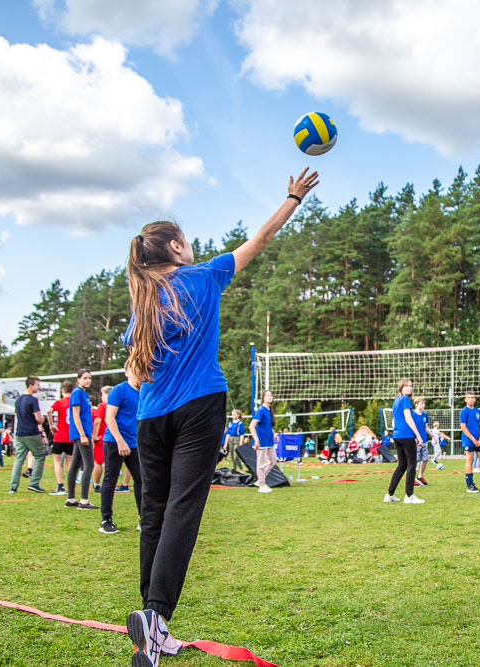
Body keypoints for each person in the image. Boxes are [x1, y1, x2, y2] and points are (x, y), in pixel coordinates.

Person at [124, 169, 318, 667]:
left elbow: (136, 373)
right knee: (183, 509)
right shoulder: (204, 276)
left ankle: (153, 627)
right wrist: (293, 197)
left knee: (154, 514)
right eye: (185, 241)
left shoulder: (140, 307)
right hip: (198, 408)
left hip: (150, 418)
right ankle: (156, 612)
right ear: (173, 248)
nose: (191, 247)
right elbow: (262, 238)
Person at [99, 365, 142, 534]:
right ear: (127, 372)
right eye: (134, 369)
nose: (138, 372)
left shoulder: (144, 392)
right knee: (110, 479)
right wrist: (120, 441)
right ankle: (106, 520)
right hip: (114, 441)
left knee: (141, 480)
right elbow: (109, 417)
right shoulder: (119, 391)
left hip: (134, 443)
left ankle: (144, 519)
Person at [384, 378, 425, 503]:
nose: (409, 388)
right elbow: (408, 418)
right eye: (406, 386)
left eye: (411, 386)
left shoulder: (396, 401)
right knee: (411, 464)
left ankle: (389, 494)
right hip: (406, 435)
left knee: (402, 465)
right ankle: (409, 495)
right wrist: (418, 435)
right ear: (401, 387)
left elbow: (394, 421)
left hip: (397, 435)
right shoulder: (405, 400)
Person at [65, 369, 98, 509]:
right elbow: (75, 415)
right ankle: (84, 500)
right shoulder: (77, 393)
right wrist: (83, 435)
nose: (87, 380)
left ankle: (71, 499)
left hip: (83, 433)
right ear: (78, 379)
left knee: (75, 465)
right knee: (89, 464)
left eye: (89, 378)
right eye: (85, 378)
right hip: (81, 434)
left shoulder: (84, 394)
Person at [9, 376, 47, 493]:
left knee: (19, 459)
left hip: (19, 432)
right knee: (40, 455)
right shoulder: (33, 400)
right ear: (30, 386)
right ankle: (34, 483)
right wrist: (42, 420)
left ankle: (13, 486)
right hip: (31, 432)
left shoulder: (18, 400)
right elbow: (39, 419)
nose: (39, 387)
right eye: (37, 385)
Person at [46, 380, 75, 495]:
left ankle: (60, 486)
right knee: (70, 462)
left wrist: (51, 425)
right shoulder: (74, 402)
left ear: (62, 391)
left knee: (57, 461)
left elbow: (49, 411)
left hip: (60, 435)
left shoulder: (60, 402)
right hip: (71, 436)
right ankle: (70, 486)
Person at [250, 390, 276, 493]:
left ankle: (260, 479)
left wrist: (274, 434)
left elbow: (267, 425)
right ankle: (262, 484)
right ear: (263, 398)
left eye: (271, 395)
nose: (270, 397)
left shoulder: (268, 410)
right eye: (267, 395)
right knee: (261, 464)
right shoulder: (260, 410)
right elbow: (252, 426)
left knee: (273, 461)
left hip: (269, 440)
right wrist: (256, 440)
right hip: (262, 441)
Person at [92, 385, 111, 493]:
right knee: (109, 463)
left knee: (98, 462)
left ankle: (97, 484)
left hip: (102, 438)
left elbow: (97, 421)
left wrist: (94, 435)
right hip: (113, 438)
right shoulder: (117, 406)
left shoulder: (102, 406)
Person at [413, 396, 430, 487]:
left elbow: (426, 428)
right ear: (416, 404)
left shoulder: (425, 415)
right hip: (416, 442)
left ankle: (420, 476)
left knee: (425, 459)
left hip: (424, 441)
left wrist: (434, 436)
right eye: (421, 403)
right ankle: (413, 478)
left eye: (424, 403)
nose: (423, 405)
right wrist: (414, 437)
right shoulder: (412, 414)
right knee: (415, 460)